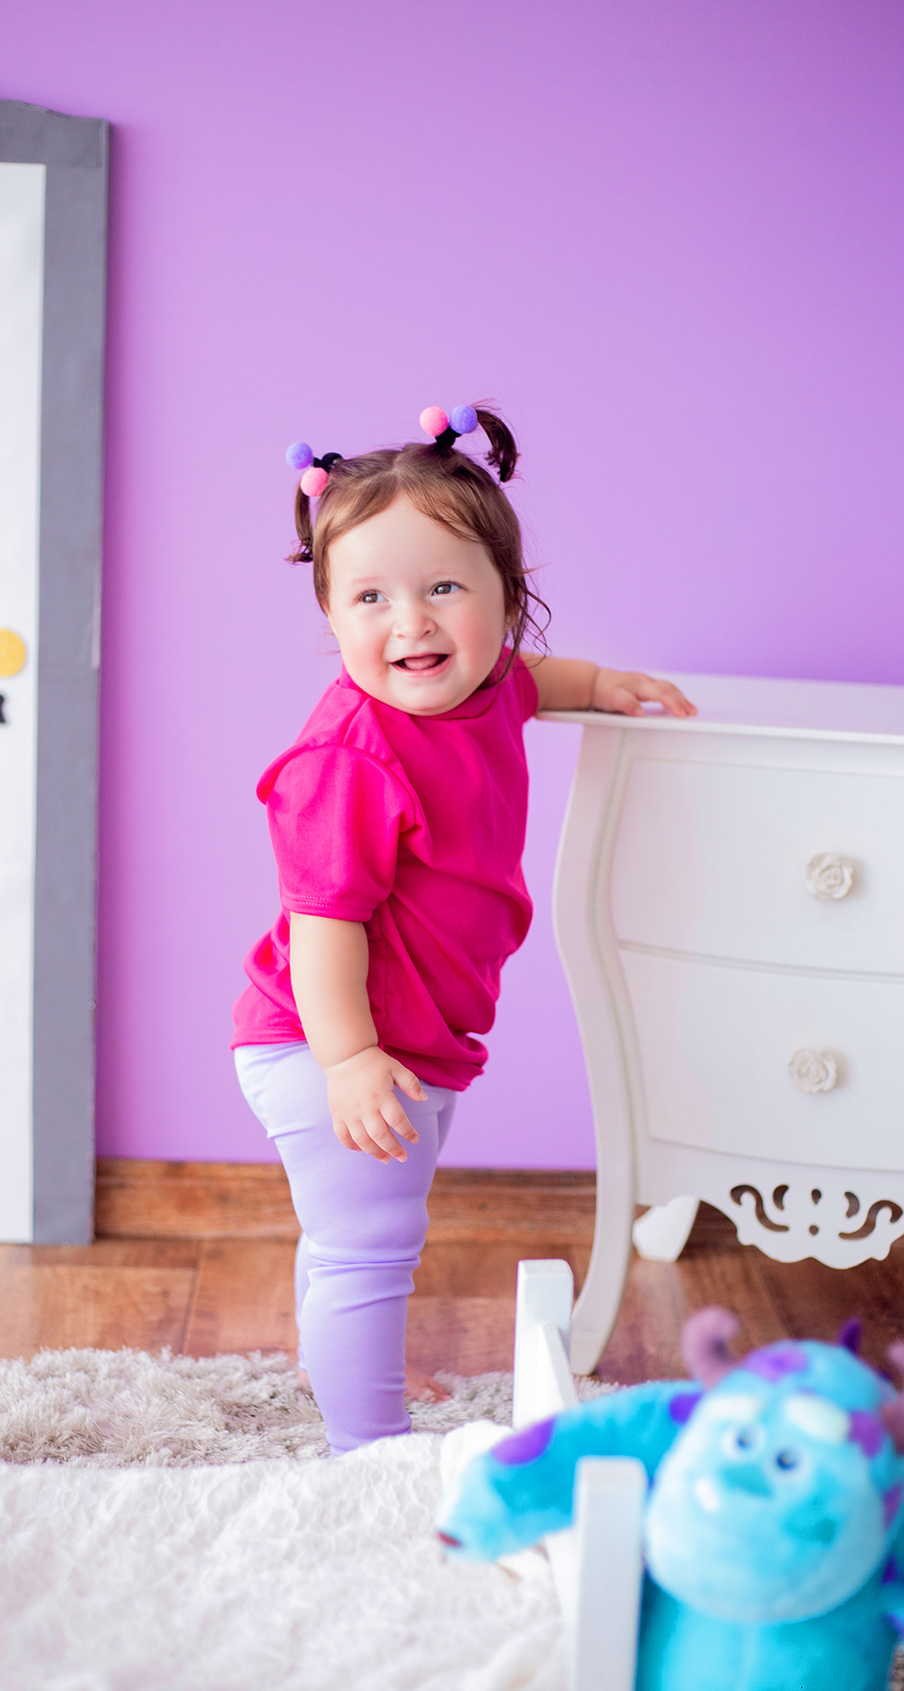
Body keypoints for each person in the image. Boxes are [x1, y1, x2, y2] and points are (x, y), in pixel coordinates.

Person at [232, 404, 694, 1455]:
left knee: (352, 1232)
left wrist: (605, 686)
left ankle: (336, 1391)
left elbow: (536, 681)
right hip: (327, 1038)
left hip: (417, 1041)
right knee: (369, 1246)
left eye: (444, 587)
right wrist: (348, 1060)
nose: (412, 623)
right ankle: (372, 1454)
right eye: (370, 598)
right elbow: (325, 928)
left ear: (505, 597)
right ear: (331, 617)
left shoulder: (485, 688)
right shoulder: (349, 759)